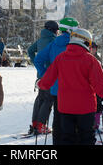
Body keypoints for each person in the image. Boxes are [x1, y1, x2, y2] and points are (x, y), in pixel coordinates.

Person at [38, 27, 103, 145]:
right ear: (86, 42)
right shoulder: (91, 60)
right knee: (86, 139)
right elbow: (101, 88)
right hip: (85, 109)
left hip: (65, 108)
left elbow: (46, 82)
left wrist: (39, 83)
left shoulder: (60, 58)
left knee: (67, 138)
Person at [34, 17, 79, 145]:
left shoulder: (54, 43)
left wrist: (46, 76)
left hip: (56, 88)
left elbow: (38, 60)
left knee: (58, 120)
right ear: (72, 30)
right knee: (71, 120)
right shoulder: (75, 44)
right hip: (72, 88)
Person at [27, 20, 59, 135]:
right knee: (48, 100)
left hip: (40, 75)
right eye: (57, 30)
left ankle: (35, 123)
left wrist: (35, 63)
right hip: (50, 75)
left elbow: (30, 50)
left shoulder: (40, 40)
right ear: (53, 30)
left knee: (40, 98)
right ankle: (41, 125)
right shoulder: (54, 41)